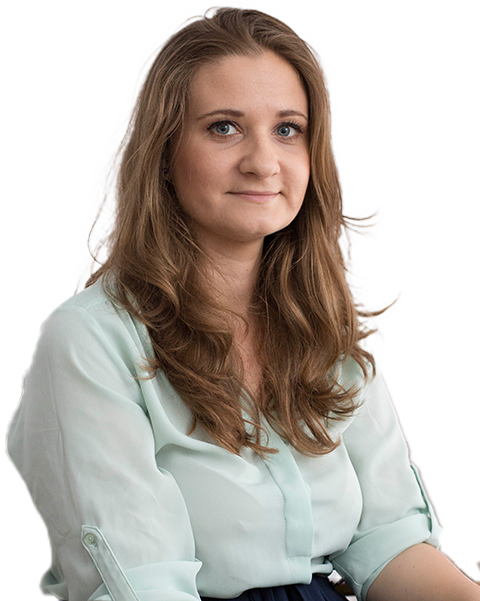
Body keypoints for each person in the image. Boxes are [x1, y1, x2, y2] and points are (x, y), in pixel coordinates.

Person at [6, 6, 480, 601]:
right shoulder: (88, 341)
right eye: (224, 127)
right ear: (164, 155)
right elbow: (145, 588)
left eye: (288, 129)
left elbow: (391, 546)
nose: (263, 162)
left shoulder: (331, 330)